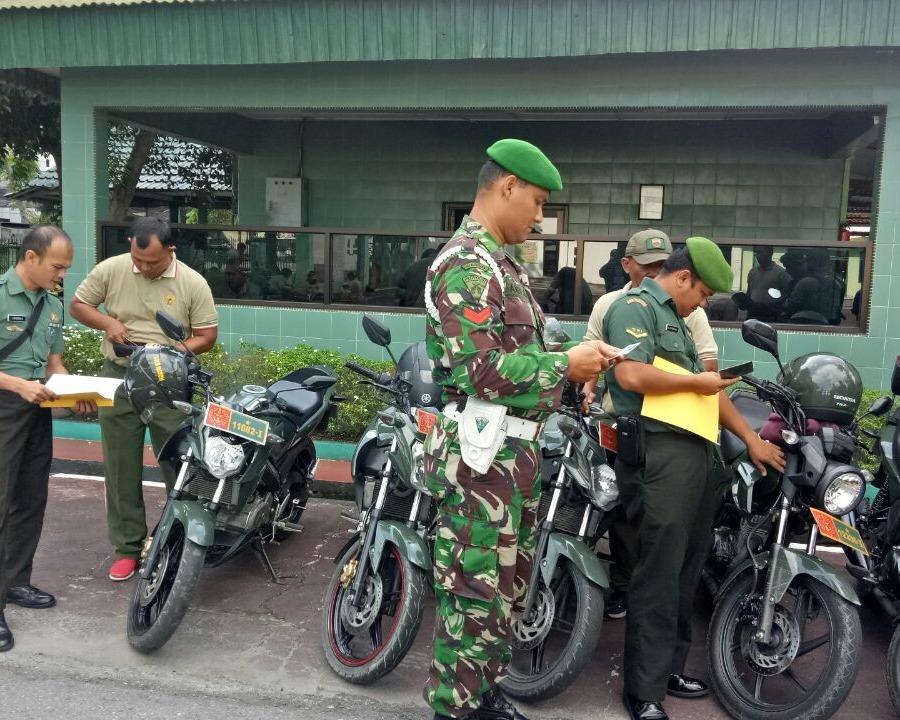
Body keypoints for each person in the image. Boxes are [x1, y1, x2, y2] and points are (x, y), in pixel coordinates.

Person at [423, 138, 619, 720]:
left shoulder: (500, 265)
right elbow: (480, 368)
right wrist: (566, 366)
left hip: (511, 460)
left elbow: (517, 350)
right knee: (473, 593)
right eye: (536, 202)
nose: (539, 217)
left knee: (505, 592)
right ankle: (454, 709)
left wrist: (575, 351)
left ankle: (481, 697)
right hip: (480, 461)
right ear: (506, 185)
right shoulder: (464, 263)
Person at [602, 238, 785, 720]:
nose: (703, 302)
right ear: (682, 277)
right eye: (702, 293)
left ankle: (669, 668)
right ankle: (643, 691)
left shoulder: (679, 325)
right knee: (659, 573)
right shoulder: (633, 307)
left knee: (686, 572)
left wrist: (749, 437)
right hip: (659, 454)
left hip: (697, 456)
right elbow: (631, 377)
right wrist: (697, 382)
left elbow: (709, 393)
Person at [69, 217, 219, 582]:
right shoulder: (113, 268)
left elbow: (207, 335)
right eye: (137, 258)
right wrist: (107, 324)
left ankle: (181, 538)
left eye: (151, 261)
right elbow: (78, 304)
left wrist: (170, 353)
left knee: (179, 461)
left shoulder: (192, 282)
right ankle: (127, 548)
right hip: (118, 375)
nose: (142, 266)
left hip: (168, 380)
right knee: (120, 464)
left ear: (171, 250)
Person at [582, 228, 719, 620]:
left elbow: (705, 368)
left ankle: (631, 586)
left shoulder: (688, 312)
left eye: (662, 265)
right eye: (648, 267)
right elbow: (605, 361)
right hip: (622, 424)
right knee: (621, 514)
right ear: (628, 265)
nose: (655, 273)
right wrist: (589, 390)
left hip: (675, 434)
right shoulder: (615, 304)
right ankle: (623, 584)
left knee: (657, 536)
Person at [0, 226, 96, 652]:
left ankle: (15, 582)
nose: (62, 275)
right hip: (5, 405)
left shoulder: (51, 305)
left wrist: (77, 392)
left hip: (37, 408)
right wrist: (18, 385)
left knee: (30, 498)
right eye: (58, 266)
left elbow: (55, 364)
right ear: (32, 257)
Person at [732, 245, 791, 321]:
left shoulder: (781, 273)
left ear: (770, 253)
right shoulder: (752, 272)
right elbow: (749, 293)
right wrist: (742, 302)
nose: (757, 255)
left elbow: (787, 297)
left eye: (760, 252)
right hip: (752, 314)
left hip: (770, 316)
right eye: (756, 252)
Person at [542, 247, 593, 314]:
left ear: (563, 281)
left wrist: (545, 298)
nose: (559, 288)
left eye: (559, 285)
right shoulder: (578, 283)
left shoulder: (571, 293)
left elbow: (566, 314)